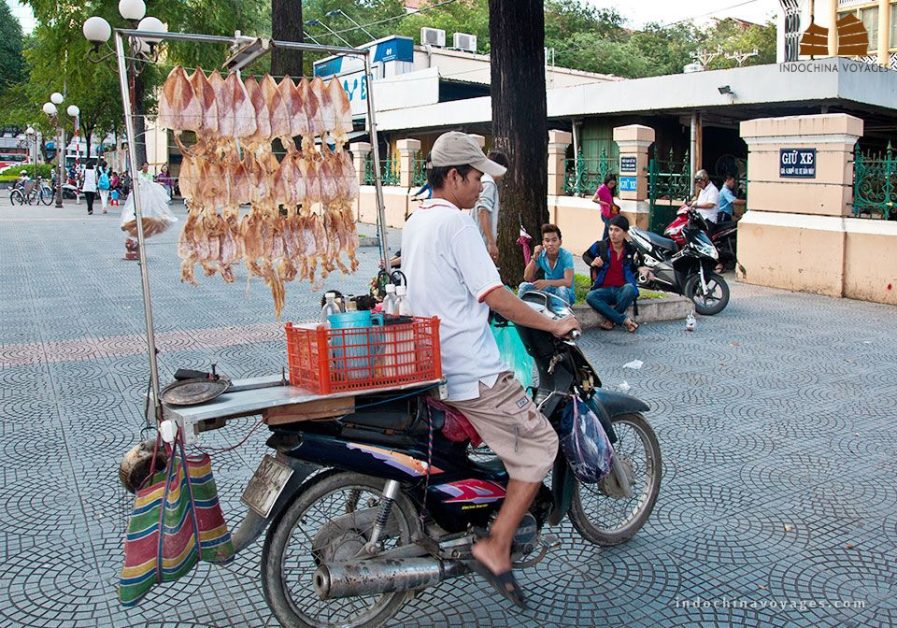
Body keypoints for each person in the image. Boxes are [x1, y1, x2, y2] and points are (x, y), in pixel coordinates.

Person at [401, 131, 580, 608]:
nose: (482, 186)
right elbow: (496, 294)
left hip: (432, 363)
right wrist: (552, 323)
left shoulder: (415, 221)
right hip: (472, 370)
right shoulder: (458, 225)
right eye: (477, 176)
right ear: (454, 175)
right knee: (541, 443)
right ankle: (495, 546)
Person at [583, 214, 640, 333]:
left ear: (625, 233)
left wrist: (642, 268)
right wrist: (592, 262)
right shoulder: (601, 246)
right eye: (610, 229)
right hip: (604, 290)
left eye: (617, 230)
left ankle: (611, 320)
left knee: (631, 289)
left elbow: (638, 266)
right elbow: (585, 255)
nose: (612, 233)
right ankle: (623, 320)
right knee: (590, 296)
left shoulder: (631, 250)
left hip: (622, 291)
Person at [517, 223, 576, 304]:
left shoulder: (566, 255)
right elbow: (527, 277)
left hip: (565, 293)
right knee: (524, 286)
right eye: (547, 240)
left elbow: (568, 282)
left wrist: (547, 282)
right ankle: (519, 314)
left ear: (560, 242)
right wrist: (535, 256)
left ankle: (563, 315)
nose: (550, 244)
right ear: (543, 243)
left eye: (554, 240)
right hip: (548, 291)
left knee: (561, 289)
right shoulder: (540, 255)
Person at [473, 149, 510, 262]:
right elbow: (483, 212)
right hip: (482, 241)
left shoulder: (481, 181)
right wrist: (491, 243)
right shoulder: (489, 184)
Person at [592, 173, 619, 240]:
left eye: (613, 184)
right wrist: (604, 203)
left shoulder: (610, 189)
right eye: (611, 183)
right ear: (607, 182)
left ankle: (602, 247)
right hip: (605, 214)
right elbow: (593, 199)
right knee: (612, 230)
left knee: (606, 233)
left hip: (611, 214)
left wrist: (616, 209)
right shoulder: (602, 188)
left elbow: (611, 201)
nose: (612, 185)